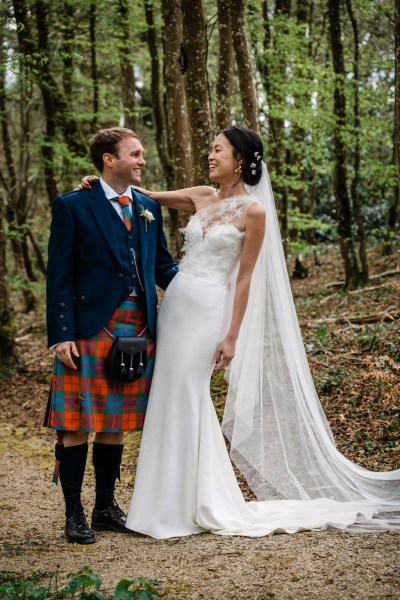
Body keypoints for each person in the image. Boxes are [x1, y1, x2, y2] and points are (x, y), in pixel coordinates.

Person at [81, 126, 400, 538]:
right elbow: (135, 198)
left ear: (241, 159)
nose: (211, 156)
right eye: (211, 148)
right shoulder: (200, 196)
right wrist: (96, 184)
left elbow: (245, 279)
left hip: (209, 310)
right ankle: (162, 502)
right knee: (166, 393)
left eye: (218, 150)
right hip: (174, 305)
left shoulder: (254, 212)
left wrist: (232, 334)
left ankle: (196, 501)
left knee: (189, 393)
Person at [45, 127, 178, 545]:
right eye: (135, 154)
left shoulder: (145, 206)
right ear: (109, 159)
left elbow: (164, 267)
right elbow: (59, 275)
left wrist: (207, 296)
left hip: (136, 329)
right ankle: (73, 513)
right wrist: (61, 333)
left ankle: (105, 506)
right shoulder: (73, 205)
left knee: (115, 422)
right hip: (87, 329)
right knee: (74, 424)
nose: (142, 160)